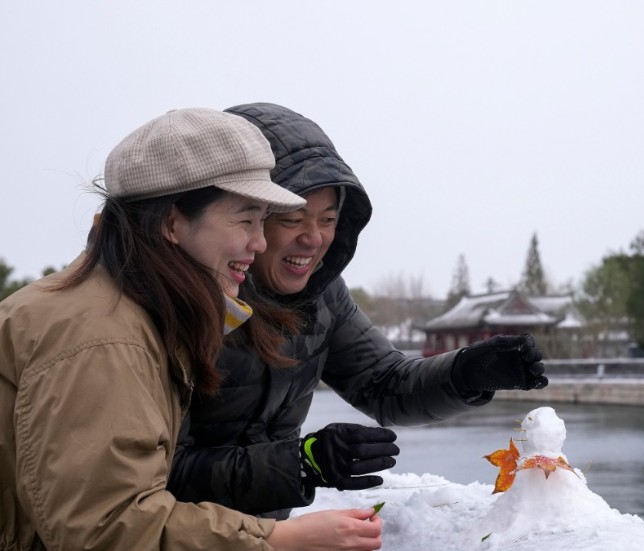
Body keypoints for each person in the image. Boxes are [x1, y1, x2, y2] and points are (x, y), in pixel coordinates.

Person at [0, 107, 384, 550]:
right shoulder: (103, 338)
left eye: (263, 221)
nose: (259, 243)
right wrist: (279, 538)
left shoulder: (132, 309)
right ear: (172, 223)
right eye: (245, 219)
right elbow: (104, 530)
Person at [167, 102, 548, 519]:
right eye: (293, 219)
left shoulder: (323, 294)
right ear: (246, 216)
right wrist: (303, 461)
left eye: (328, 219)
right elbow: (159, 472)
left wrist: (465, 373)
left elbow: (385, 384)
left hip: (267, 537)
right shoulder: (176, 304)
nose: (314, 239)